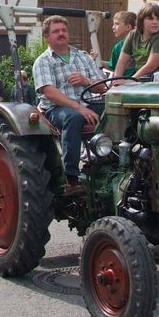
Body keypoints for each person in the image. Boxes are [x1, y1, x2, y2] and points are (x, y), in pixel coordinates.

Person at [33, 16, 106, 197]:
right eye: (56, 31)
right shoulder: (43, 61)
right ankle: (71, 178)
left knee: (115, 112)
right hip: (56, 108)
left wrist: (86, 80)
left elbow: (102, 86)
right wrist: (79, 108)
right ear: (46, 37)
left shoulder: (83, 57)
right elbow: (49, 92)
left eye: (64, 30)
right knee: (73, 117)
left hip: (88, 103)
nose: (61, 34)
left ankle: (110, 164)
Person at [113, 2, 159, 80]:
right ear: (141, 20)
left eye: (158, 19)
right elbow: (122, 61)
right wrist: (116, 80)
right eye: (150, 18)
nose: (155, 22)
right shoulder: (133, 34)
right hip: (145, 80)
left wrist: (129, 81)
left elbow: (151, 66)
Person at [92, 10, 137, 77]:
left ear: (128, 27)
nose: (113, 27)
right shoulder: (117, 47)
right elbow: (112, 66)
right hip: (122, 83)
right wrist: (97, 60)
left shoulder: (140, 44)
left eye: (117, 24)